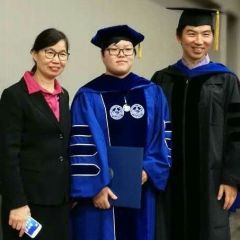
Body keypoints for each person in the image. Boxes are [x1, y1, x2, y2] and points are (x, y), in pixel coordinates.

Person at [70, 24, 171, 240]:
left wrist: (148, 170)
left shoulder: (152, 92)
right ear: (103, 55)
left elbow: (162, 137)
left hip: (143, 188)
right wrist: (96, 186)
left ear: (135, 53)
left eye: (127, 49)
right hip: (103, 193)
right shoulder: (88, 95)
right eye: (114, 49)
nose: (121, 54)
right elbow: (81, 144)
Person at [151, 8, 240, 240]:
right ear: (179, 37)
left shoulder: (226, 79)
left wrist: (231, 179)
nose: (199, 41)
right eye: (191, 34)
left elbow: (237, 133)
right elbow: (150, 131)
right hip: (170, 180)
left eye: (206, 34)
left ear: (212, 37)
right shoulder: (162, 79)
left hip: (211, 179)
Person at [0, 28, 71, 240]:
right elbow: (6, 154)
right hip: (27, 204)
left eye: (62, 54)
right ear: (34, 54)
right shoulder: (14, 96)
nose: (56, 59)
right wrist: (17, 202)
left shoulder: (64, 95)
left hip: (59, 201)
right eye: (49, 52)